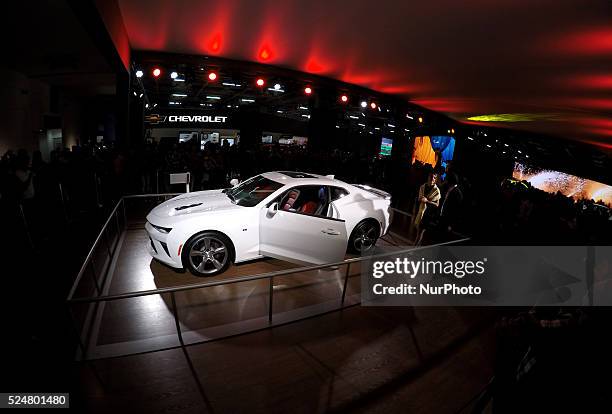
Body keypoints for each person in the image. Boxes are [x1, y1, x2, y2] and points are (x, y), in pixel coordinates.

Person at [411, 171, 441, 241]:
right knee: (418, 231)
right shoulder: (423, 187)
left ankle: (414, 248)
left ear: (436, 179)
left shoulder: (436, 190)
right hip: (420, 211)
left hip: (428, 213)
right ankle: (415, 247)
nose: (432, 178)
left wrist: (427, 201)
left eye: (434, 177)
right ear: (428, 177)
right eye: (431, 176)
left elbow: (437, 204)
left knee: (420, 232)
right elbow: (419, 199)